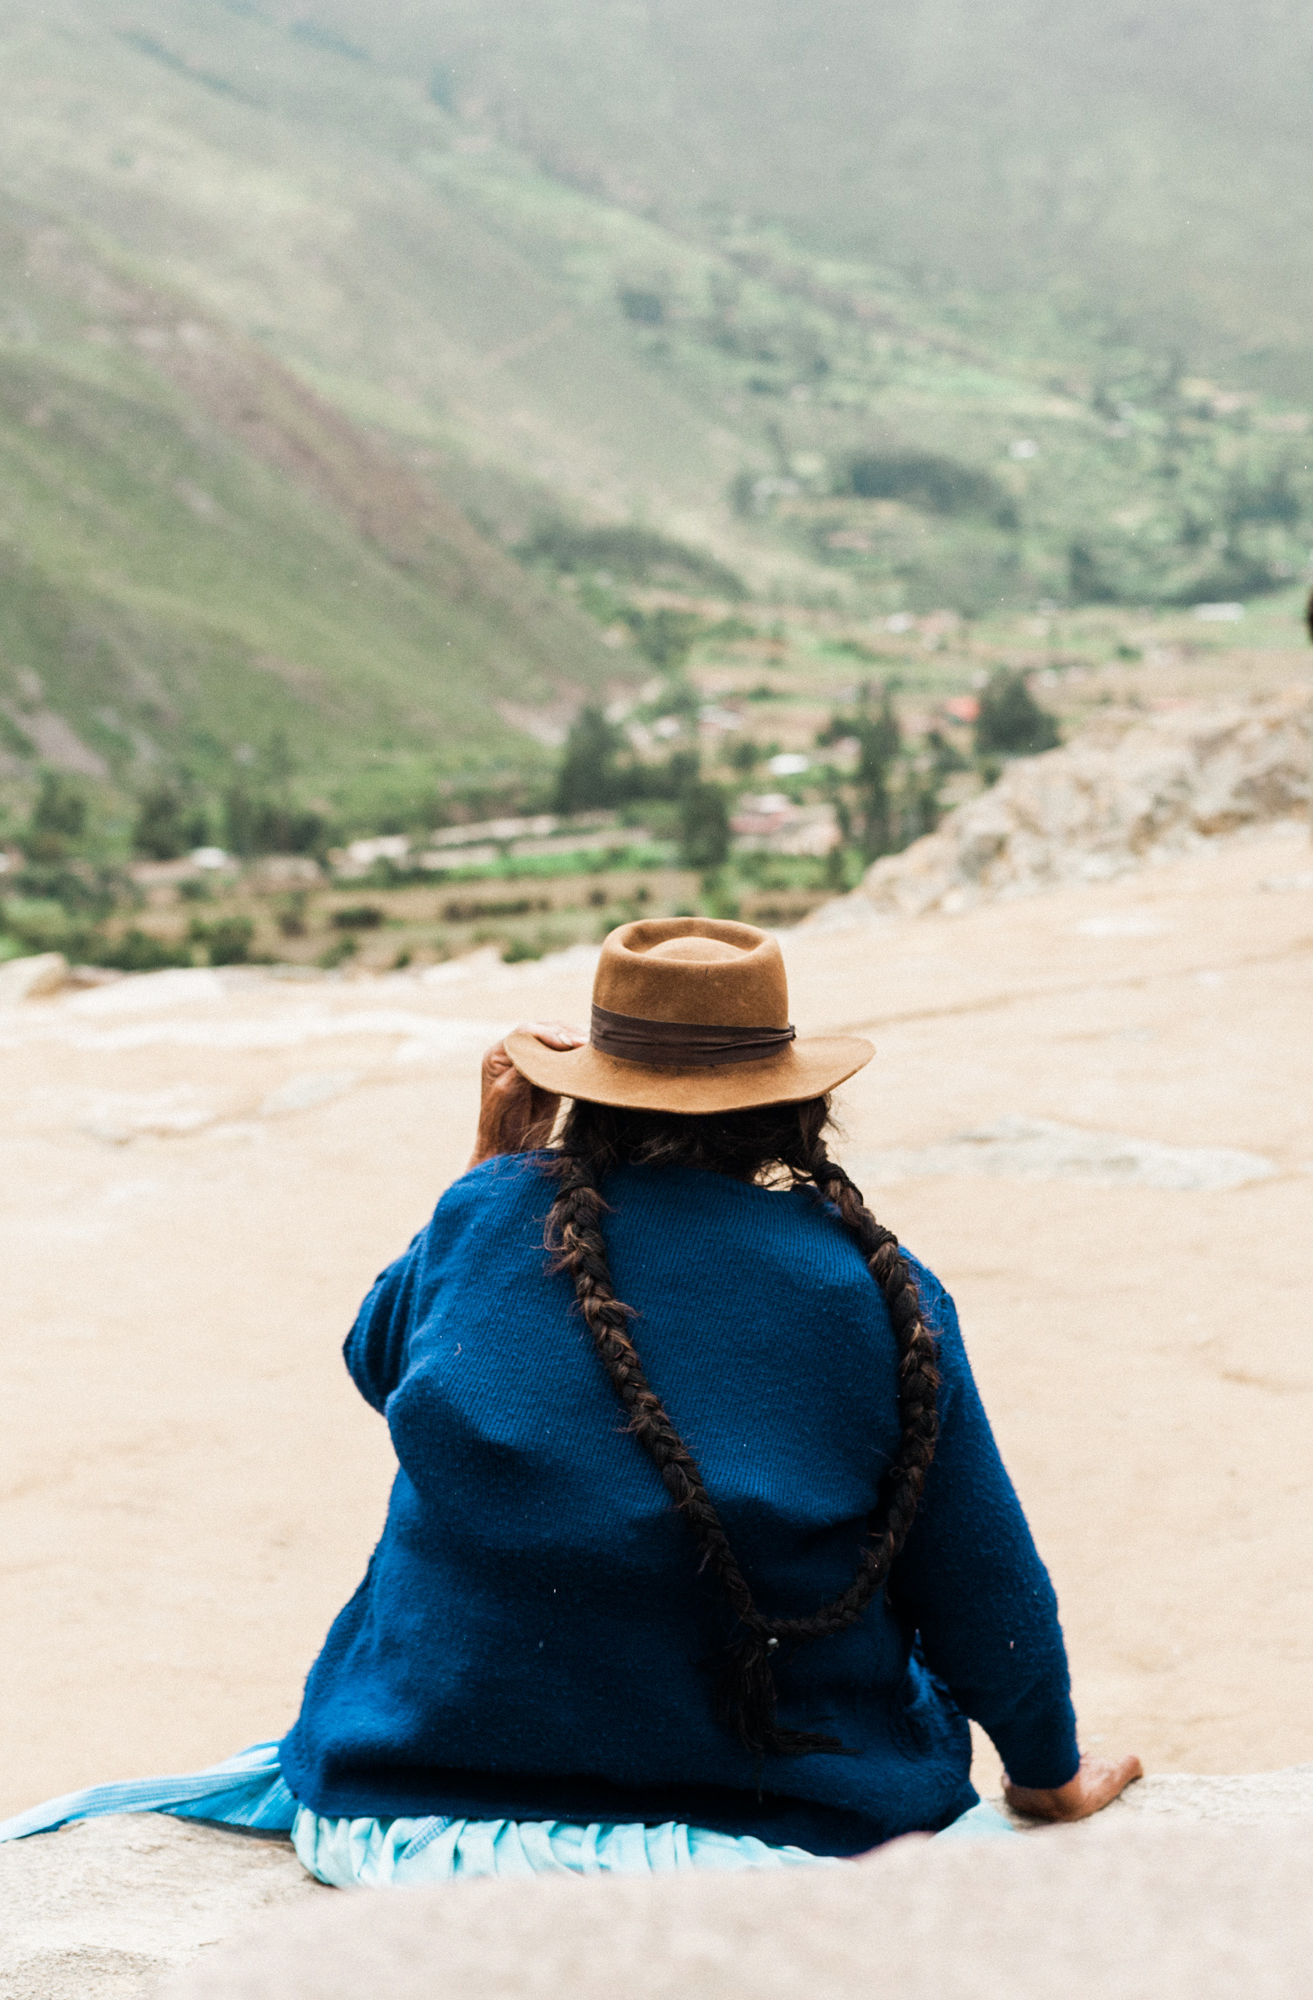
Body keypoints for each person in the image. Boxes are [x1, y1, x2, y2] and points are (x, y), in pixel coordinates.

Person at [0, 918, 1139, 1883]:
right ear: (796, 1104)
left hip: (415, 1818)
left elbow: (381, 1363)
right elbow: (977, 1578)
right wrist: (1044, 1775)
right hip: (774, 1842)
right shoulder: (874, 1290)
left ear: (585, 1088)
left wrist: (488, 1158)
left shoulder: (491, 1211)